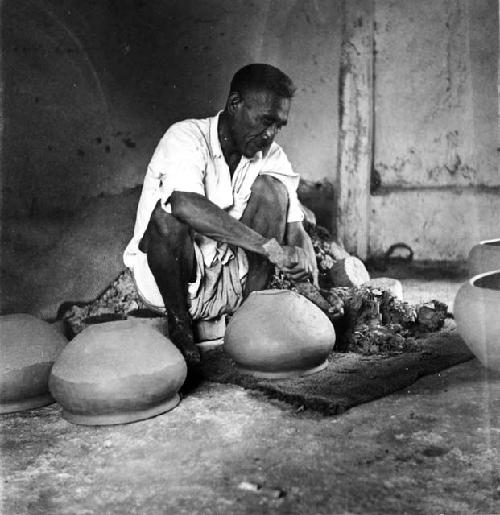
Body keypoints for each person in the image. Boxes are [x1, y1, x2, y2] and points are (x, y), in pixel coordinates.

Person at [123, 63, 318, 368]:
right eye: (266, 120)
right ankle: (181, 329)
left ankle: (250, 319)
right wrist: (270, 248)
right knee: (167, 214)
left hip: (231, 282)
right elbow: (184, 204)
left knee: (273, 190)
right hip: (174, 285)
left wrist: (311, 284)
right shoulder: (186, 137)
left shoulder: (271, 154)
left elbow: (296, 229)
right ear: (235, 104)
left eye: (279, 125)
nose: (270, 134)